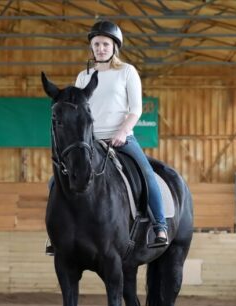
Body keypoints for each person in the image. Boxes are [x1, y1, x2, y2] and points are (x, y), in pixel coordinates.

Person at [46, 20, 167, 256]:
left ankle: (159, 225)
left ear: (114, 47)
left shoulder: (127, 72)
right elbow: (77, 111)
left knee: (146, 174)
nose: (101, 48)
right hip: (90, 142)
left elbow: (136, 109)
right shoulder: (84, 76)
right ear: (91, 48)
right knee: (56, 182)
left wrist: (122, 132)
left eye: (105, 44)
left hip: (122, 138)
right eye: (96, 44)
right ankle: (56, 236)